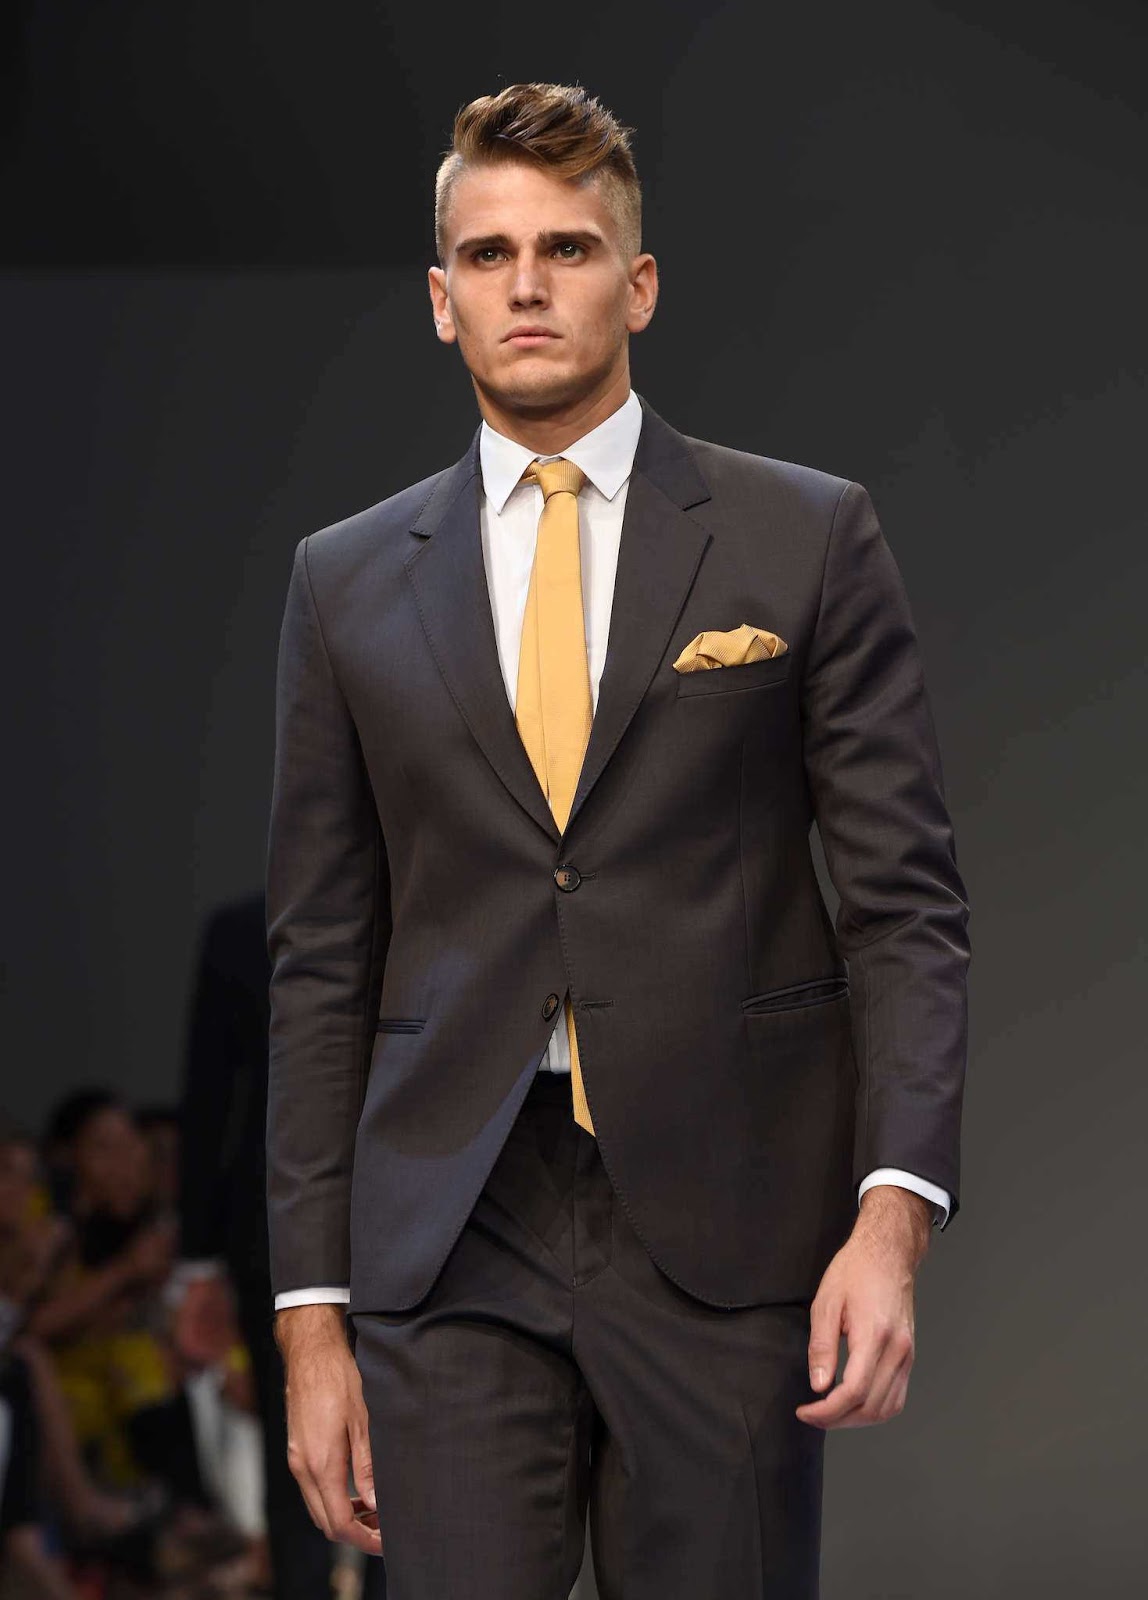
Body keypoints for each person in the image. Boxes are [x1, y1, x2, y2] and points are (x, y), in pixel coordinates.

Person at [265, 81, 971, 1598]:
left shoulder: (803, 537)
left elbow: (905, 907)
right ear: (442, 299)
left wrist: (892, 1217)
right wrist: (310, 1316)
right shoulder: (345, 584)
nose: (527, 284)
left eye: (569, 248)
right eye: (490, 253)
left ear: (638, 284)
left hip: (733, 1214)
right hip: (449, 1226)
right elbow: (321, 959)